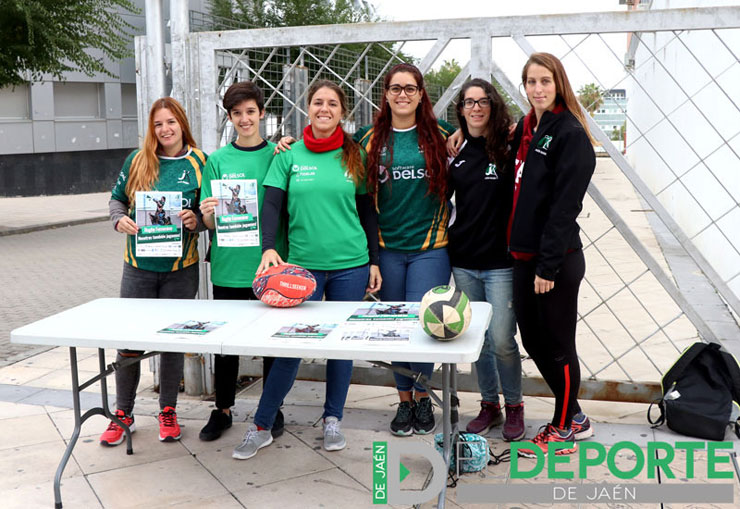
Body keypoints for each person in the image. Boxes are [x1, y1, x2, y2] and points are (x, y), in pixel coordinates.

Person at [232, 79, 382, 460]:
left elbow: (367, 212)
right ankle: (262, 425)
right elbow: (271, 207)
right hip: (302, 271)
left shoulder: (355, 156)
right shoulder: (288, 156)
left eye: (332, 103)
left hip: (351, 265)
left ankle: (333, 419)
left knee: (340, 349)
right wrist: (268, 247)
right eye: (317, 102)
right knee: (291, 347)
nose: (324, 109)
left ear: (342, 111)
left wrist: (375, 262)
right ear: (308, 108)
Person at [354, 63, 453, 437]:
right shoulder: (367, 138)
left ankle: (424, 398)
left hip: (431, 247)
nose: (402, 95)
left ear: (421, 93)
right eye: (396, 88)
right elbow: (328, 151)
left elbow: (481, 143)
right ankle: (404, 402)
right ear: (386, 94)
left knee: (425, 325)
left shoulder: (443, 135)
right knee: (395, 328)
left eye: (410, 88)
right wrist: (287, 143)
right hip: (387, 250)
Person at [100, 97, 207, 446]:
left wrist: (196, 222)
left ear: (182, 124)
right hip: (138, 269)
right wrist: (120, 220)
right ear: (152, 127)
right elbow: (117, 199)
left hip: (181, 269)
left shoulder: (200, 162)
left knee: (172, 342)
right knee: (129, 343)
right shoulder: (137, 160)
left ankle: (168, 412)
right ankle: (123, 414)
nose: (165, 129)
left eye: (171, 122)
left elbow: (208, 213)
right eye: (158, 124)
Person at [509, 53, 596, 457]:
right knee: (533, 338)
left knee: (559, 344)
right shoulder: (528, 128)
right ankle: (574, 414)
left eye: (545, 81)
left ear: (558, 83)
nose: (538, 89)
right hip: (524, 257)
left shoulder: (569, 132)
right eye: (531, 82)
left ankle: (563, 428)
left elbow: (565, 206)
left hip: (555, 261)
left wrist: (548, 265)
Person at [197, 81, 288, 443]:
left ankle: (271, 408)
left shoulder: (280, 155)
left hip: (270, 264)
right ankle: (222, 409)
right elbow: (207, 222)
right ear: (230, 117)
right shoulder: (218, 160)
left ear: (262, 113)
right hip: (229, 264)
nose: (245, 119)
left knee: (271, 343)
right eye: (237, 114)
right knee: (226, 343)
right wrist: (207, 214)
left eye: (251, 112)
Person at [447, 78, 525, 441]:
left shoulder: (509, 147)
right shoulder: (456, 151)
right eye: (468, 102)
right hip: (463, 261)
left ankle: (515, 405)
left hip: (501, 264)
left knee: (503, 338)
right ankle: (489, 404)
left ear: (493, 106)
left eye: (482, 101)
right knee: (478, 339)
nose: (475, 108)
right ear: (460, 109)